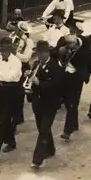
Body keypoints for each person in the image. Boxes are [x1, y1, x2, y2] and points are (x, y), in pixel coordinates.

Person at [0, 37, 23, 162]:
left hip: (11, 91)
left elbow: (10, 77)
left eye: (4, 51)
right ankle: (11, 142)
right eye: (1, 50)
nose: (1, 53)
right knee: (3, 118)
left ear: (10, 51)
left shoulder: (17, 62)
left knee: (2, 122)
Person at [29, 40, 63, 170]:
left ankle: (37, 159)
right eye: (38, 53)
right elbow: (32, 81)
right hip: (38, 102)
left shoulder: (55, 67)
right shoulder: (37, 64)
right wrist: (29, 77)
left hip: (50, 103)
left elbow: (55, 86)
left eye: (42, 53)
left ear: (47, 53)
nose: (40, 56)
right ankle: (51, 149)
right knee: (42, 128)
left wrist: (39, 83)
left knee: (43, 130)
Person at [56, 33, 89, 141]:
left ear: (75, 43)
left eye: (70, 44)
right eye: (67, 43)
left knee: (72, 104)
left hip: (77, 78)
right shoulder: (66, 48)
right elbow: (59, 56)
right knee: (67, 102)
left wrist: (70, 54)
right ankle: (74, 124)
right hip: (66, 76)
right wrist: (62, 53)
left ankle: (67, 130)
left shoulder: (82, 50)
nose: (68, 45)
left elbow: (83, 62)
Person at [13, 21, 34, 126]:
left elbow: (26, 58)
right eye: (18, 30)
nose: (19, 32)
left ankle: (17, 118)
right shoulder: (12, 37)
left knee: (18, 94)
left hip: (22, 67)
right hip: (11, 66)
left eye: (21, 31)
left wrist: (14, 53)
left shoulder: (29, 42)